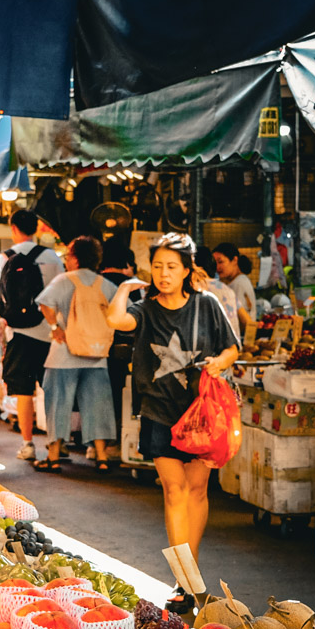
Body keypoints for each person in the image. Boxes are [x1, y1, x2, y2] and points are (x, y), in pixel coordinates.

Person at [107, 232, 239, 607]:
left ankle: (188, 574)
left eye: (171, 267)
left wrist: (220, 362)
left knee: (197, 490)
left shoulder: (207, 305)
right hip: (158, 410)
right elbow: (116, 319)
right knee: (173, 489)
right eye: (157, 266)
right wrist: (125, 289)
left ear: (186, 270)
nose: (163, 274)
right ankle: (186, 578)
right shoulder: (145, 308)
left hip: (200, 413)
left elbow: (232, 347)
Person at [34, 236, 118, 473]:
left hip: (63, 354)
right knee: (98, 405)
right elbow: (119, 311)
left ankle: (53, 456)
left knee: (58, 404)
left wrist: (55, 327)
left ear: (74, 257)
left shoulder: (63, 280)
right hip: (97, 355)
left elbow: (44, 304)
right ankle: (101, 457)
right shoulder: (105, 284)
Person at [0, 209, 64, 460]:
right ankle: (56, 442)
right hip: (50, 333)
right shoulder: (53, 257)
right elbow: (61, 295)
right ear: (37, 228)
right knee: (51, 390)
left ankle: (28, 444)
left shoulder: (5, 257)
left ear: (13, 228)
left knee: (23, 392)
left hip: (18, 333)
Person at [100, 240, 138, 438]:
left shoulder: (94, 280)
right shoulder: (132, 286)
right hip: (121, 349)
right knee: (118, 393)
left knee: (97, 395)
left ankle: (95, 443)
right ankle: (118, 438)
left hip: (94, 347)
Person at [196, 248, 241, 345]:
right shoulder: (228, 290)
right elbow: (245, 319)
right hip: (234, 349)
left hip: (216, 353)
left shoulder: (197, 290)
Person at [212, 242, 255, 330]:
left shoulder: (238, 283)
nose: (217, 267)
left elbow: (239, 317)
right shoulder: (240, 280)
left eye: (220, 262)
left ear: (235, 260)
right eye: (215, 263)